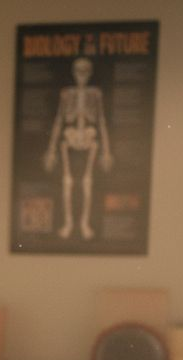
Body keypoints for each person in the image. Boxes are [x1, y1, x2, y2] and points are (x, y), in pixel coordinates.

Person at [43, 56, 114, 240]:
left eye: (85, 71)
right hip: (69, 140)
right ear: (73, 72)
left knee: (87, 182)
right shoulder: (66, 94)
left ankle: (84, 224)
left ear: (90, 73)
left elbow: (101, 121)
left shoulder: (95, 94)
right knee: (68, 182)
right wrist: (51, 149)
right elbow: (59, 120)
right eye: (78, 71)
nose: (81, 75)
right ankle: (68, 223)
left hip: (90, 141)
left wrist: (106, 150)